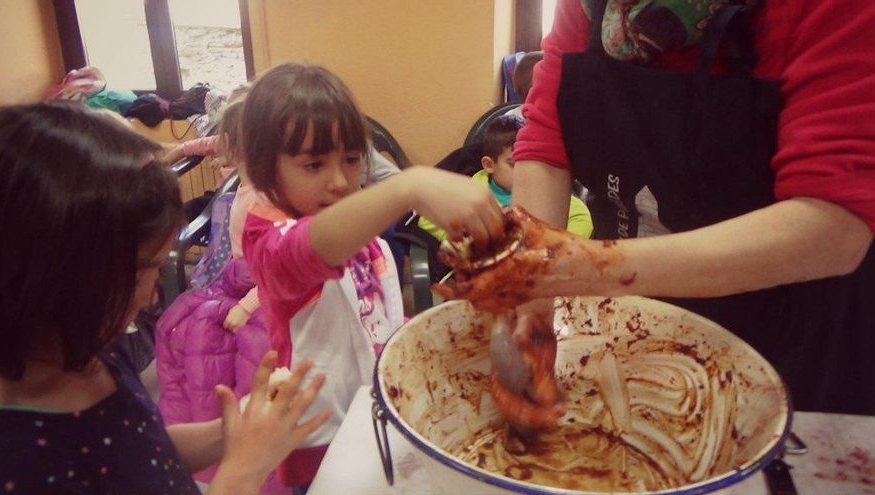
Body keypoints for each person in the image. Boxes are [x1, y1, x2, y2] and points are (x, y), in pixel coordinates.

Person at [440, 0, 875, 417]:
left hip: (801, 331)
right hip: (646, 312)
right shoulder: (591, 8)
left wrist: (563, 268)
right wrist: (533, 302)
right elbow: (546, 144)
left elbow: (834, 224)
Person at [0, 101, 331, 494]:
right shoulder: (17, 462)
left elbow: (140, 449)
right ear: (57, 278)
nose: (155, 293)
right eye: (143, 271)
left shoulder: (89, 353)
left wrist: (234, 430)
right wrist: (241, 474)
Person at [239, 62, 504, 488]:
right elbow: (311, 247)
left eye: (350, 159)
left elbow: (376, 313)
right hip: (317, 433)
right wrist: (409, 185)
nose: (341, 181)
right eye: (314, 165)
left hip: (376, 412)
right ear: (265, 167)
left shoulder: (353, 229)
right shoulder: (270, 242)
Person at [154, 100, 290, 493]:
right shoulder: (246, 186)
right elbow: (210, 143)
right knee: (185, 337)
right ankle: (212, 441)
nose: (219, 154)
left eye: (228, 145)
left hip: (258, 296)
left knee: (239, 362)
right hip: (237, 284)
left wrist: (247, 304)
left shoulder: (265, 202)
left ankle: (261, 464)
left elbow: (276, 270)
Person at [419, 114, 592, 241]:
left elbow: (582, 219)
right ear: (489, 165)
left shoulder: (548, 191)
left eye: (531, 162)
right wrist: (468, 240)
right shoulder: (470, 193)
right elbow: (426, 217)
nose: (525, 171)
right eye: (513, 164)